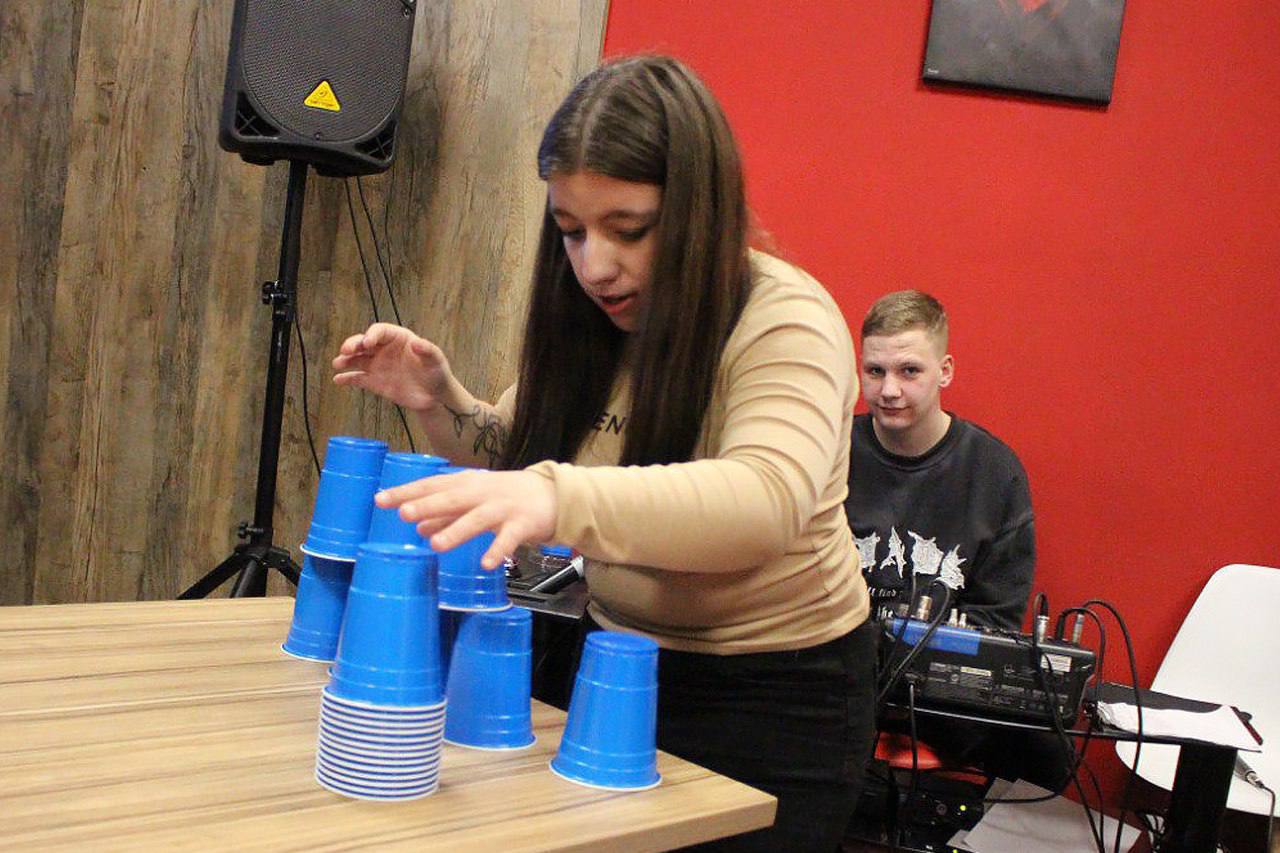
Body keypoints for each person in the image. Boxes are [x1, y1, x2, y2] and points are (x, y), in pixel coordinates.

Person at [332, 55, 875, 852]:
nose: (594, 266)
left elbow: (764, 501)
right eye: (571, 231)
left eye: (629, 230)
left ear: (699, 212)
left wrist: (558, 497)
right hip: (613, 659)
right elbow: (514, 456)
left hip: (776, 695)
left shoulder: (786, 318)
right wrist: (441, 401)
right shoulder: (595, 321)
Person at [844, 289, 1069, 791]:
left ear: (944, 372)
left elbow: (997, 619)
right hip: (838, 673)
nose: (889, 390)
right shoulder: (832, 450)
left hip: (940, 687)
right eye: (875, 371)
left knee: (1051, 755)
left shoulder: (994, 472)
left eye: (909, 371)